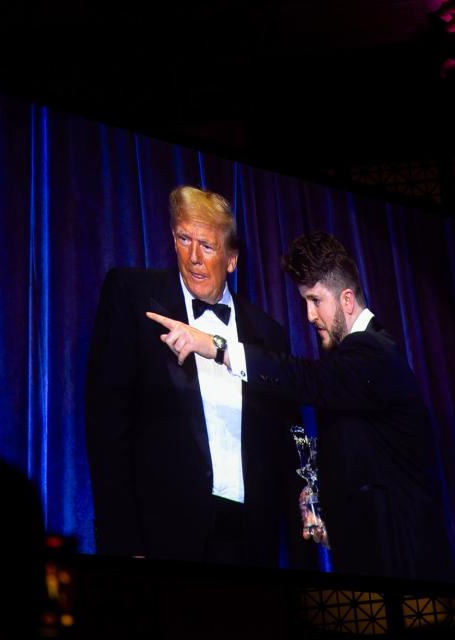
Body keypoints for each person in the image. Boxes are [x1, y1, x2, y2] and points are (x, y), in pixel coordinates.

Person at [148, 231, 454, 581]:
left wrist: (218, 348)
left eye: (315, 300)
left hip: (404, 564)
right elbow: (364, 459)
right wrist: (320, 496)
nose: (308, 315)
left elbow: (304, 379)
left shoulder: (373, 353)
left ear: (347, 299)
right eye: (304, 302)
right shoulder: (356, 364)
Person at [85, 185, 300, 567]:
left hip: (251, 543)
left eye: (208, 245)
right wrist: (123, 540)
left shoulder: (270, 334)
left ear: (232, 259)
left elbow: (286, 443)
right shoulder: (133, 297)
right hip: (160, 538)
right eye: (184, 239)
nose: (194, 257)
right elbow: (106, 426)